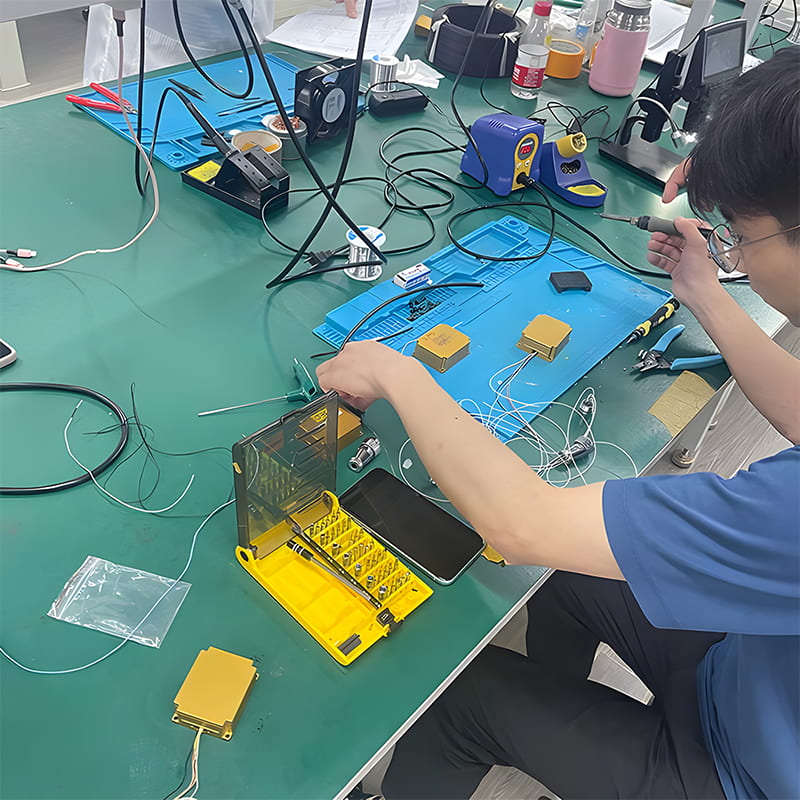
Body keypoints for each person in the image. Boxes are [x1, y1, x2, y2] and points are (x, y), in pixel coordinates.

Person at [319, 48, 800, 800]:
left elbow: (522, 526)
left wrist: (396, 373)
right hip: (754, 668)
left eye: (738, 231)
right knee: (566, 577)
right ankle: (557, 735)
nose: (733, 249)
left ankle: (508, 739)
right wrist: (706, 293)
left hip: (748, 773)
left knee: (463, 700)